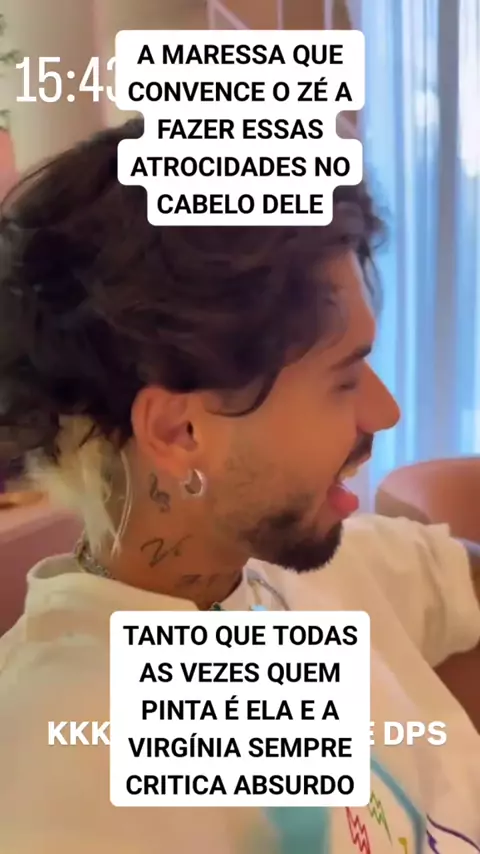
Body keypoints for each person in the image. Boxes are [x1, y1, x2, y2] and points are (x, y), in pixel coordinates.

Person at [0, 119, 479, 853]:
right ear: (180, 431)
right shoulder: (74, 781)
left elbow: (454, 575)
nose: (385, 411)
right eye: (343, 378)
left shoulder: (301, 558)